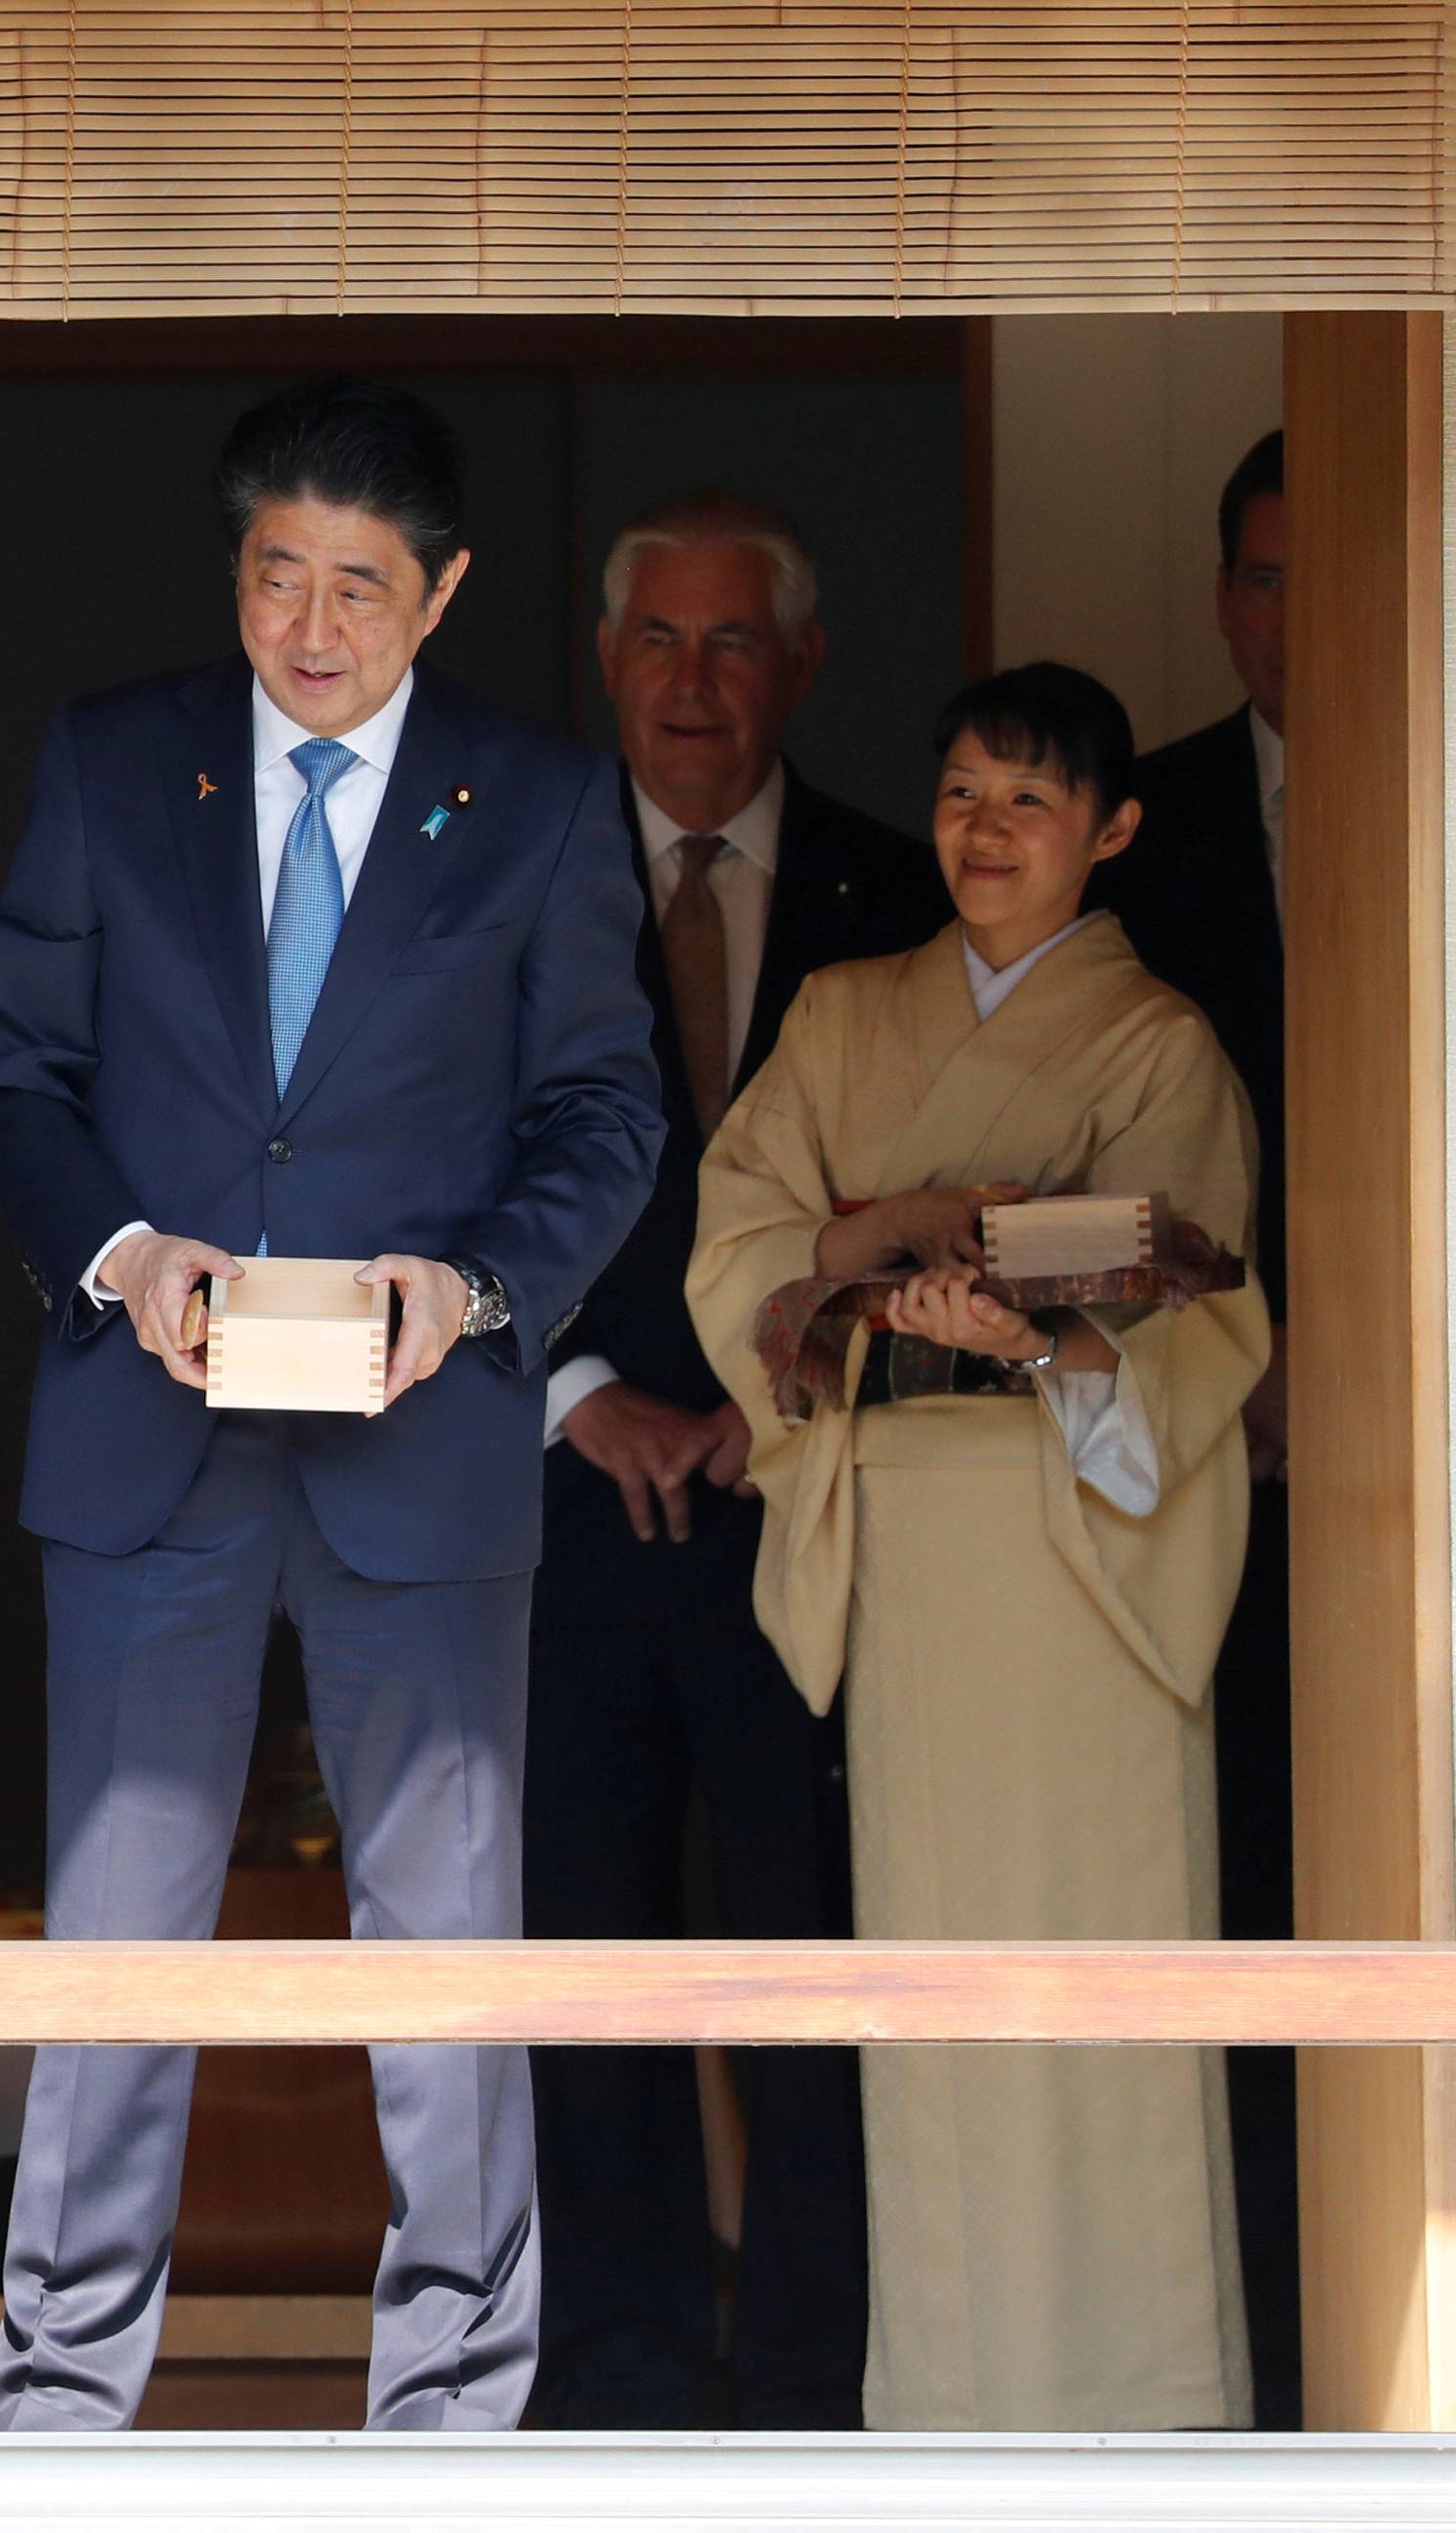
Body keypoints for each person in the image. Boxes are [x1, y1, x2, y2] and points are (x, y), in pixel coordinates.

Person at [0, 376, 664, 2433]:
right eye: (280, 571)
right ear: (240, 569)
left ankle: (452, 2406)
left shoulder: (535, 803)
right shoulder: (118, 764)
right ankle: (58, 2409)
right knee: (116, 1944)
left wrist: (471, 1290)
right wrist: (123, 1257)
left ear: (440, 593)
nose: (315, 623)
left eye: (362, 582)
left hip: (419, 1446)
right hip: (149, 1434)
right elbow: (18, 1071)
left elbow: (607, 1106)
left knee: (447, 1955)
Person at [688, 662, 1266, 2431]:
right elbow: (740, 1241)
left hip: (1073, 1552)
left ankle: (1145, 2423)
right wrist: (881, 1251)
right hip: (916, 1547)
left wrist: (1037, 1336)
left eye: (1029, 800)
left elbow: (1194, 1309)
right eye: (958, 793)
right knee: (930, 2020)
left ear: (1114, 828)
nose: (985, 831)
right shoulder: (847, 1009)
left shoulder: (1158, 1040)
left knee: (1100, 2002)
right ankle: (945, 2422)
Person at [523, 490, 946, 2429]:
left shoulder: (907, 882)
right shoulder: (500, 877)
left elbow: (934, 1199)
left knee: (815, 1957)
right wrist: (579, 1380)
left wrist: (765, 1391)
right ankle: (609, 2374)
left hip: (812, 1501)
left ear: (803, 664)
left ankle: (805, 2377)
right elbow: (438, 1165)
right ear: (609, 660)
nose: (695, 684)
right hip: (568, 1503)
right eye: (658, 643)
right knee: (584, 1965)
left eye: (734, 642)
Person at [1093, 428, 1298, 2420]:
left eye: (1330, 573)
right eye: (1259, 577)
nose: (1291, 620)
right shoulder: (1137, 819)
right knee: (1231, 1890)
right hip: (1200, 1442)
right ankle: (1261, 2367)